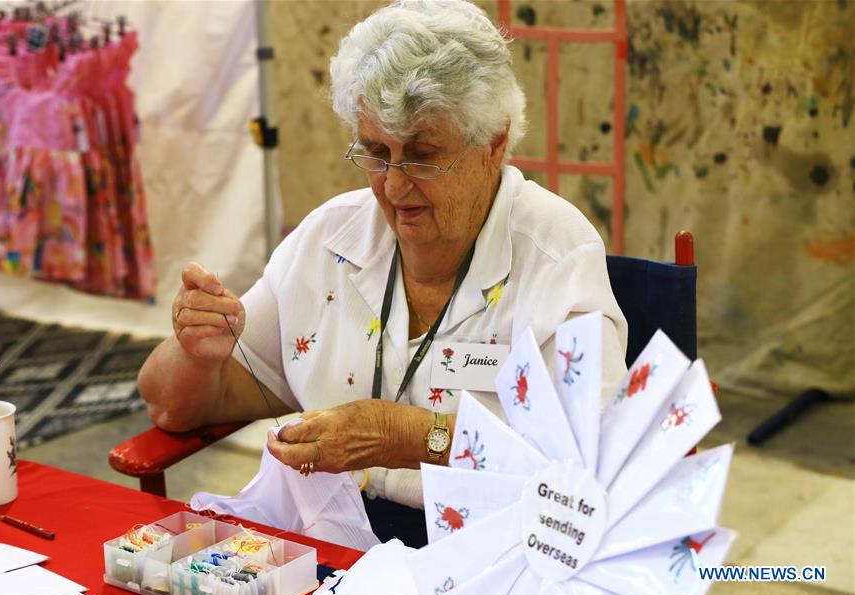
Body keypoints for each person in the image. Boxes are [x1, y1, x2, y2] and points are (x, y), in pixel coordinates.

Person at [138, 0, 627, 549]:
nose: (393, 187)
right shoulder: (331, 239)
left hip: (492, 551)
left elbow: (591, 468)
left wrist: (405, 436)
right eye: (376, 152)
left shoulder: (555, 255)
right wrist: (197, 354)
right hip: (336, 540)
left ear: (493, 145)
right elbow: (170, 406)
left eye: (421, 155)